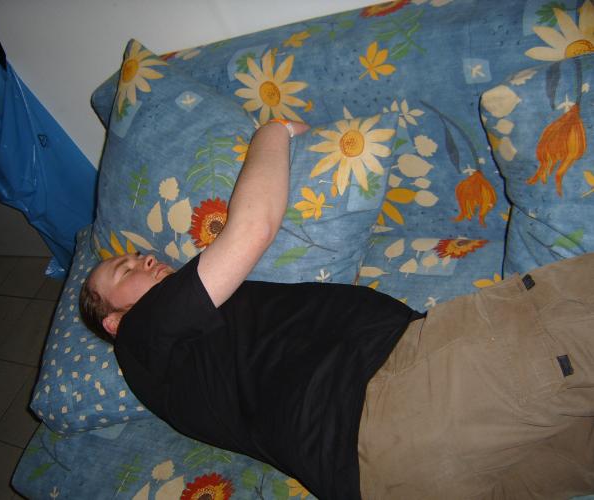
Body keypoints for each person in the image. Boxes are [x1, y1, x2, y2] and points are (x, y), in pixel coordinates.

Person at [80, 119, 594, 500]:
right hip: (398, 400)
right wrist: (273, 131)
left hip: (387, 479)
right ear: (114, 322)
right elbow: (253, 227)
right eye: (125, 270)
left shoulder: (183, 361)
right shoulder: (143, 331)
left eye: (138, 256)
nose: (145, 259)